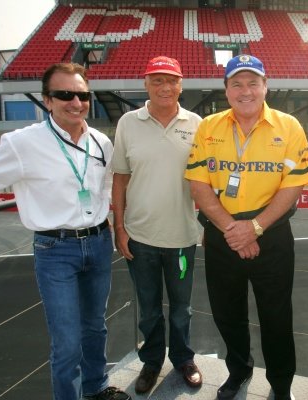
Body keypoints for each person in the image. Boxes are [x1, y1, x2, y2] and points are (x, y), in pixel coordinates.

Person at [0, 63, 130, 400]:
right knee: (66, 342)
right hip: (56, 250)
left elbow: (110, 187)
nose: (75, 102)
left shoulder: (100, 142)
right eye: (64, 94)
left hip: (97, 243)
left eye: (81, 95)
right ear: (47, 100)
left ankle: (97, 389)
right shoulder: (23, 144)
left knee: (95, 327)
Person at [184, 54, 308, 400]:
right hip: (222, 234)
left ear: (265, 86)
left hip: (271, 234)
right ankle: (239, 371)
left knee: (276, 317)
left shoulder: (288, 126)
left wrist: (255, 227)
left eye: (252, 83)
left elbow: (294, 186)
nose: (246, 91)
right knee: (228, 314)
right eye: (237, 84)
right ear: (226, 90)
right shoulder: (208, 126)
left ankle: (282, 384)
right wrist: (235, 230)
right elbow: (198, 184)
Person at [111, 55, 203, 394]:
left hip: (181, 237)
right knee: (149, 310)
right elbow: (120, 178)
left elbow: (206, 179)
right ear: (145, 84)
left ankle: (182, 359)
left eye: (172, 80)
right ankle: (151, 363)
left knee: (181, 309)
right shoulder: (128, 123)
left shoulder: (197, 123)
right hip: (140, 238)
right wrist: (119, 228)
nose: (165, 87)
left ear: (181, 84)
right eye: (157, 80)